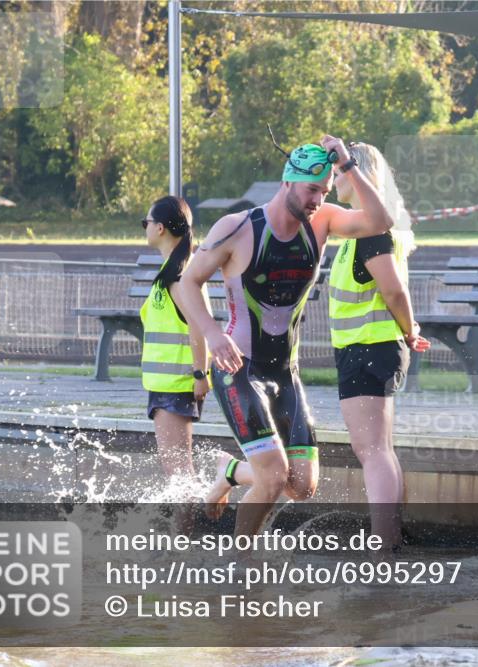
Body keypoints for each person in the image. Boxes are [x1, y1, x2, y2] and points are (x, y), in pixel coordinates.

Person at [174, 135, 395, 538]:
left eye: (325, 191)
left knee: (301, 485)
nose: (317, 199)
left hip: (285, 373)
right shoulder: (237, 228)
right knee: (273, 478)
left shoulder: (323, 221)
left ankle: (229, 472)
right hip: (237, 367)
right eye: (312, 189)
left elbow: (381, 222)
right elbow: (187, 284)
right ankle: (243, 566)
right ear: (288, 181)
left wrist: (347, 165)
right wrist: (211, 334)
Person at [328, 142, 430, 552]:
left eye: (337, 173)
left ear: (357, 174)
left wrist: (408, 329)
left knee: (372, 451)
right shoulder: (360, 231)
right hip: (366, 348)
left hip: (369, 347)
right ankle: (390, 538)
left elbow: (394, 289)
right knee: (377, 449)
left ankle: (383, 545)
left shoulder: (371, 233)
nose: (333, 181)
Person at [139, 195, 210, 491]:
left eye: (147, 222)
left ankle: (184, 538)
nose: (144, 227)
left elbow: (199, 326)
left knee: (179, 475)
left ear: (161, 228)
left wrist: (199, 374)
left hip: (175, 385)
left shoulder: (179, 276)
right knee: (178, 473)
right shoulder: (171, 270)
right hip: (167, 385)